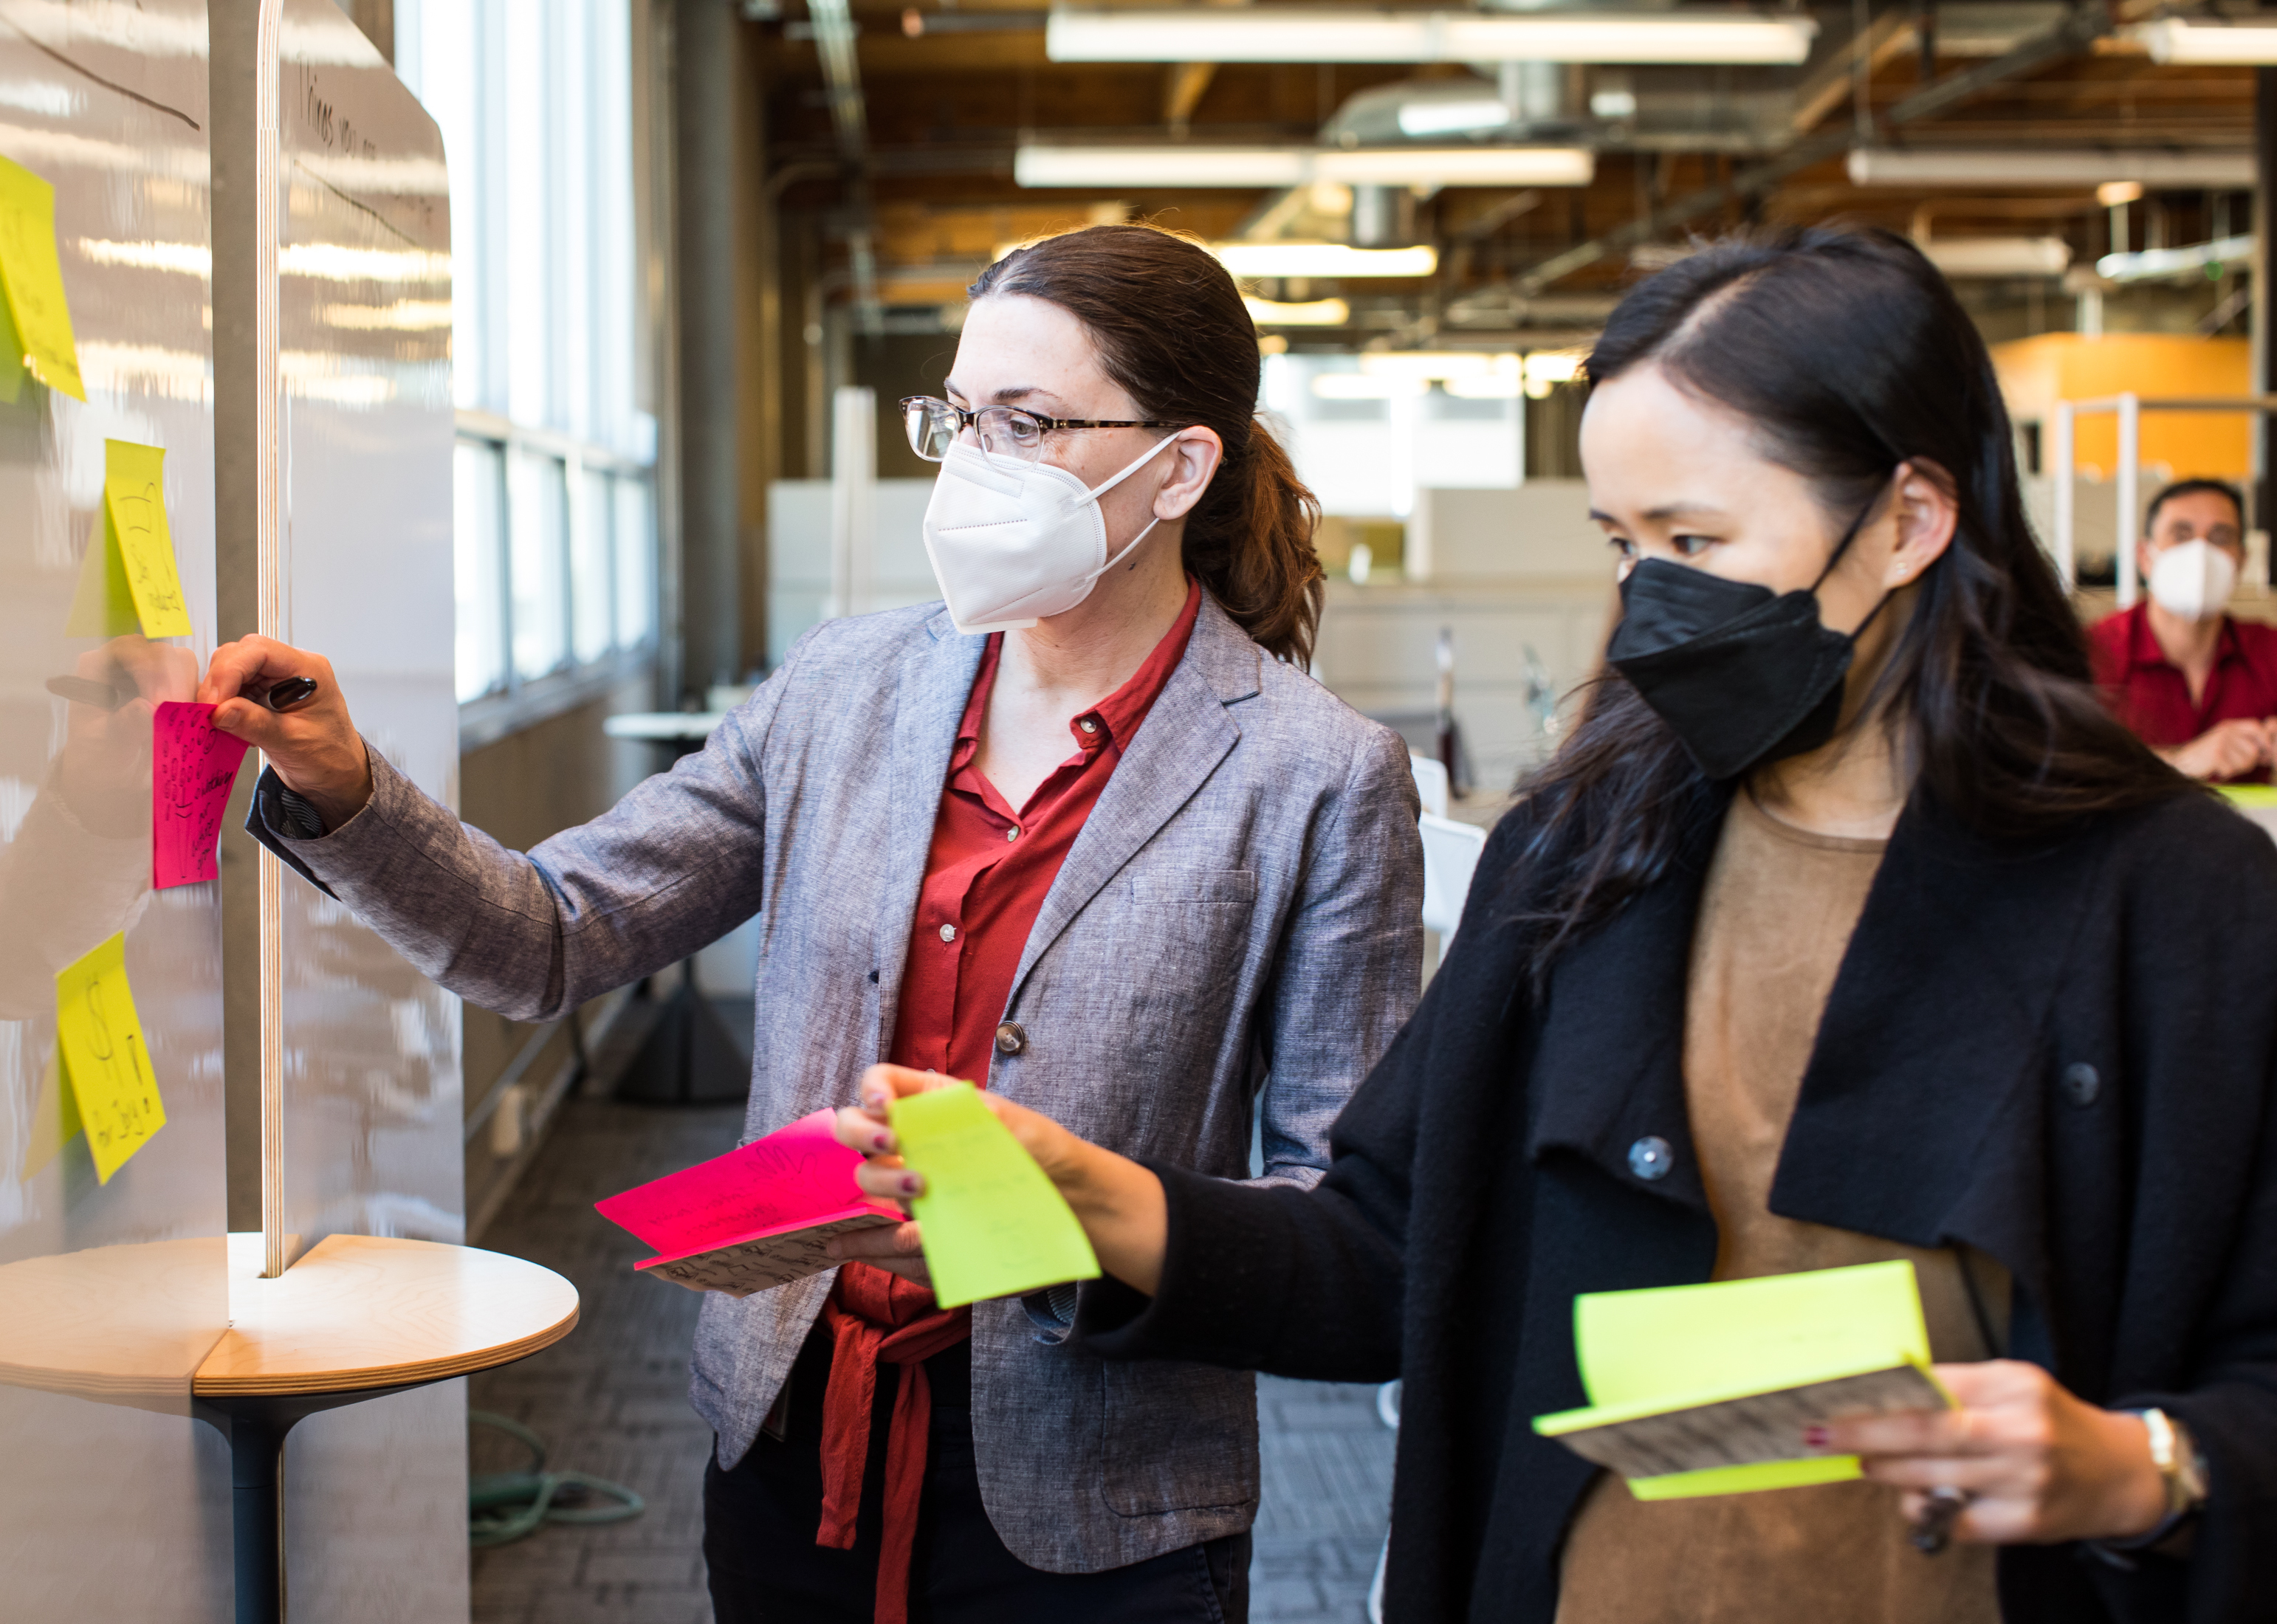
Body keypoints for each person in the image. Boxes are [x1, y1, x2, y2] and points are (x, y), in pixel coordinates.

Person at [843, 227, 2277, 1622]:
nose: (1648, 592)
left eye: (1698, 536)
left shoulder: (2176, 905)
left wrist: (2152, 1464)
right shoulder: (1587, 856)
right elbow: (1399, 1253)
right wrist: (1089, 1200)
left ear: (1909, 520)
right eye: (1622, 538)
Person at [203, 223, 1423, 1624]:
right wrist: (345, 787)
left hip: (1102, 1505)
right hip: (792, 1449)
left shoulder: (1317, 776)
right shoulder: (844, 690)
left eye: (1026, 425)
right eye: (958, 418)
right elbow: (548, 936)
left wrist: (1071, 1219)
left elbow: (1345, 1244)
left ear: (1181, 467)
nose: (973, 466)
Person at [2089, 478, 2277, 782]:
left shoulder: (2269, 649)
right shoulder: (2092, 652)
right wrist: (2182, 761)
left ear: (2242, 560)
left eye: (2220, 536)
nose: (2201, 553)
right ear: (2144, 556)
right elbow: (2062, 762)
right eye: (2181, 534)